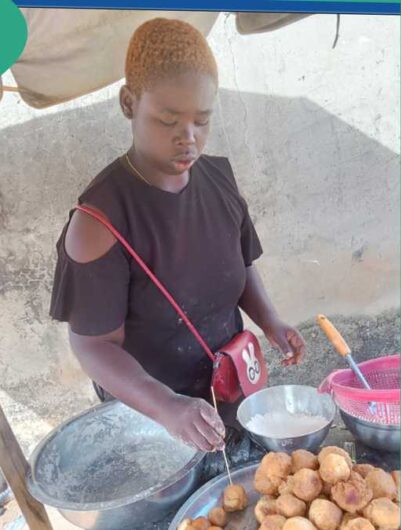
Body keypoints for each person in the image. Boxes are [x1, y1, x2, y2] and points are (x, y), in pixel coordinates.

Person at [49, 18, 306, 457]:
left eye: (201, 122)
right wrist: (167, 406)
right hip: (153, 424)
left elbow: (240, 265)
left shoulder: (219, 180)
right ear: (129, 102)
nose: (188, 139)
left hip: (229, 390)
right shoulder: (99, 223)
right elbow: (91, 345)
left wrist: (270, 321)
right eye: (168, 120)